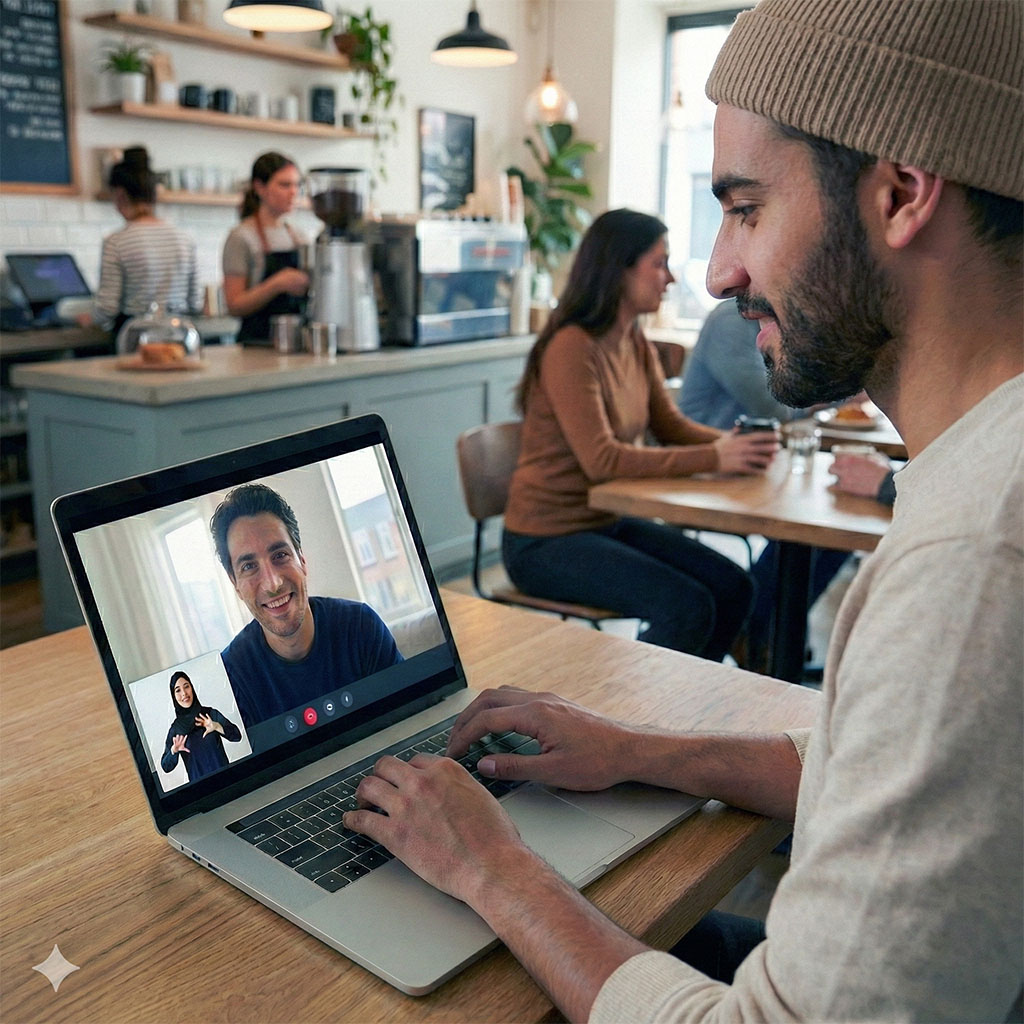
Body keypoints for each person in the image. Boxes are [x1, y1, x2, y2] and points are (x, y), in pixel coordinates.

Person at [341, 1, 1024, 1020]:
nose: (715, 269)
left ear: (899, 192)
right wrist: (639, 749)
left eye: (745, 206)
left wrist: (492, 864)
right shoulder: (978, 481)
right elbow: (883, 771)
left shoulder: (972, 562)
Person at [501, 209, 779, 661]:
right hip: (544, 539)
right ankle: (629, 719)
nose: (669, 278)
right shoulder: (572, 347)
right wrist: (716, 457)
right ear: (618, 268)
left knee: (734, 587)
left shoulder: (631, 338)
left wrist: (736, 447)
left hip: (603, 520)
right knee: (686, 607)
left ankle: (681, 710)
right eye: (659, 263)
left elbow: (668, 425)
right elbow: (603, 461)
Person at [682, 296, 897, 668]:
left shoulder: (782, 321)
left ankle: (763, 632)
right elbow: (775, 408)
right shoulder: (731, 324)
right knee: (816, 527)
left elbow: (802, 392)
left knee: (833, 534)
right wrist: (844, 391)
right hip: (716, 463)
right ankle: (760, 636)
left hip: (765, 457)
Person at [210, 483, 403, 727]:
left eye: (280, 555)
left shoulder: (361, 625)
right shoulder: (229, 679)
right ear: (235, 584)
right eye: (249, 566)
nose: (273, 583)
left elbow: (410, 717)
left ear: (302, 560)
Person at [93, 146, 201, 338]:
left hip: (137, 337)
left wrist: (88, 318)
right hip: (180, 336)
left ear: (120, 194)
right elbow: (196, 303)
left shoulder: (117, 242)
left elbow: (107, 308)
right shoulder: (185, 239)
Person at [221, 151, 310, 345]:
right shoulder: (241, 237)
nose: (293, 192)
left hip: (295, 343)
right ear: (260, 188)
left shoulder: (299, 236)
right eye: (285, 185)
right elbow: (234, 305)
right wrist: (276, 284)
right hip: (256, 345)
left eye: (297, 185)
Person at [159, 670, 241, 783]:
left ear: (192, 688)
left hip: (227, 781)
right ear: (174, 697)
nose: (184, 693)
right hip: (201, 791)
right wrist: (174, 750)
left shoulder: (210, 714)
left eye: (186, 686)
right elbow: (166, 767)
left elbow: (237, 736)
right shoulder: (176, 729)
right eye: (178, 690)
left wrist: (217, 726)